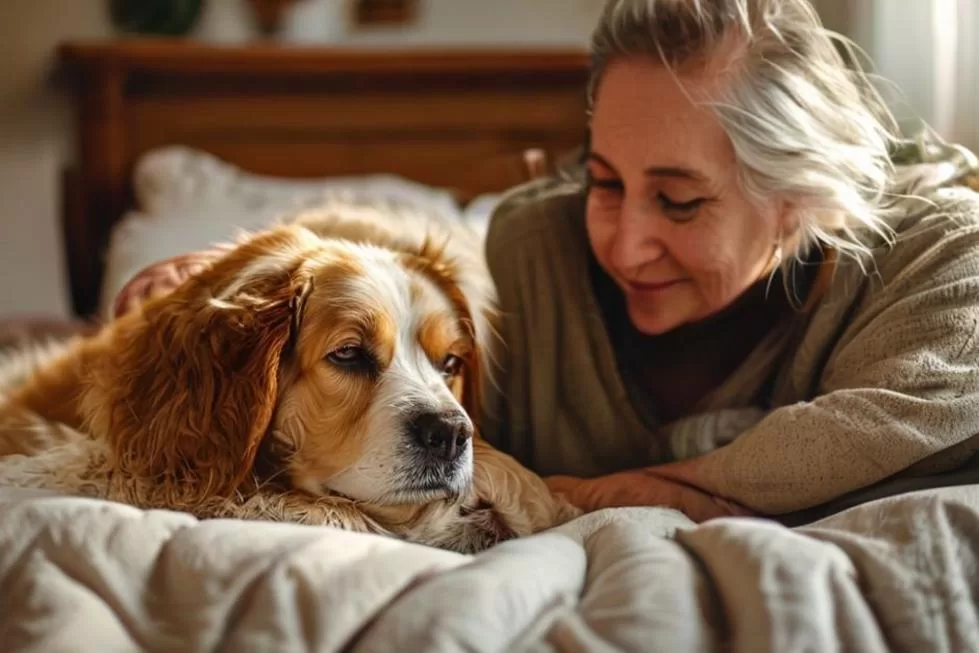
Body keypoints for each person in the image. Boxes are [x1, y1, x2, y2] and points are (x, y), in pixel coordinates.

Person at [478, 0, 979, 524]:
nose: (625, 249)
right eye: (605, 182)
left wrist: (646, 494)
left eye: (679, 200)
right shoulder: (531, 250)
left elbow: (909, 416)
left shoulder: (942, 246)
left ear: (799, 191)